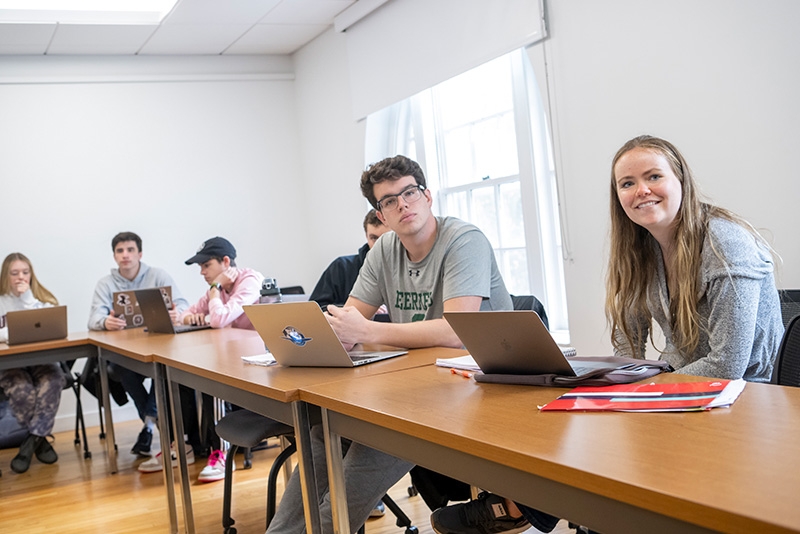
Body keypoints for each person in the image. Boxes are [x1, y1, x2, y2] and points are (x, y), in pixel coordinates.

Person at [430, 135, 785, 534]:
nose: (641, 190)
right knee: (581, 422)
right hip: (684, 392)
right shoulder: (642, 248)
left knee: (606, 441)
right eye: (627, 183)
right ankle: (531, 506)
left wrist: (635, 390)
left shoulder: (726, 243)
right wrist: (610, 386)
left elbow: (728, 365)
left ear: (681, 180)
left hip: (746, 404)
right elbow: (627, 346)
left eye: (653, 176)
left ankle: (519, 508)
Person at [267, 155, 512, 534]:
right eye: (388, 201)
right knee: (322, 434)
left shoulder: (464, 240)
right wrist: (311, 338)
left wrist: (366, 332)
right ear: (380, 215)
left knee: (372, 442)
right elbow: (349, 320)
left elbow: (456, 332)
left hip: (480, 385)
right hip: (418, 384)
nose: (402, 204)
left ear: (427, 196)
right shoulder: (383, 250)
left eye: (409, 193)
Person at [138, 236, 265, 482]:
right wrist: (197, 317)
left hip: (256, 360)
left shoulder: (250, 280)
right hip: (229, 353)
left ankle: (222, 453)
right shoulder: (216, 289)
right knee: (177, 375)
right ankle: (183, 444)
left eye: (206, 266)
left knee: (210, 377)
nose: (202, 272)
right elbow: (185, 315)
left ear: (225, 262)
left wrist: (214, 295)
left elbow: (218, 320)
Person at [88, 231, 189, 457]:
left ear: (140, 253)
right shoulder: (105, 284)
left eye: (130, 250)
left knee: (161, 370)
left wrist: (177, 313)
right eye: (120, 251)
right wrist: (106, 321)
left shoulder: (158, 275)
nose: (125, 255)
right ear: (114, 256)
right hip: (126, 352)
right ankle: (154, 425)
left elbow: (182, 304)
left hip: (160, 346)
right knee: (125, 372)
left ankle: (148, 427)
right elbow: (93, 319)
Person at [0, 253, 65, 474]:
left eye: (25, 272)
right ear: (5, 275)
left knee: (55, 380)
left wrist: (26, 299)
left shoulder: (40, 299)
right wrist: (12, 332)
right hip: (9, 364)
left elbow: (45, 325)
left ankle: (29, 444)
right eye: (15, 273)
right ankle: (41, 440)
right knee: (22, 390)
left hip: (41, 360)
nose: (20, 277)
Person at [309, 209, 389, 309]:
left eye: (385, 238)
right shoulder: (341, 268)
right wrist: (357, 309)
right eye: (374, 238)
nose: (378, 245)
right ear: (366, 237)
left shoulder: (408, 267)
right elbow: (315, 310)